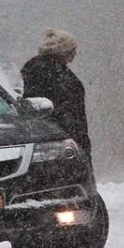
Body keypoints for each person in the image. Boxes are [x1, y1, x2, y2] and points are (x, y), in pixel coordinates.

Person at [21, 29, 91, 158]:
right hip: (60, 140)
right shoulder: (48, 71)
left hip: (63, 137)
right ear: (62, 50)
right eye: (72, 49)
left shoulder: (51, 69)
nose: (75, 53)